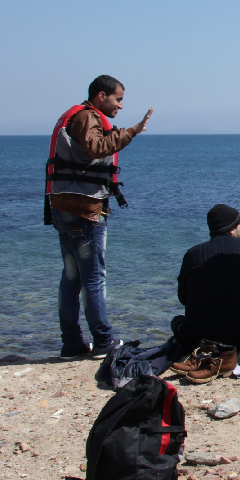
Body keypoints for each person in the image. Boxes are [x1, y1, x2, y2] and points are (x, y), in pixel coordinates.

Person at [45, 74, 152, 360]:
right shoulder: (87, 118)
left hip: (64, 206)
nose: (120, 106)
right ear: (101, 96)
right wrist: (133, 131)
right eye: (118, 99)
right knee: (93, 278)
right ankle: (104, 340)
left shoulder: (76, 116)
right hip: (84, 210)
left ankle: (71, 343)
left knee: (71, 278)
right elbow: (97, 146)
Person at [169, 204, 240, 377]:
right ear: (231, 230)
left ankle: (200, 350)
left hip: (198, 339)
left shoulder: (193, 254)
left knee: (177, 321)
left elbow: (183, 297)